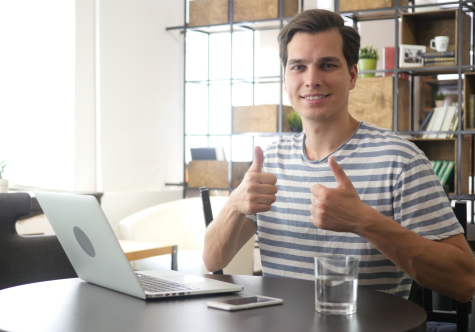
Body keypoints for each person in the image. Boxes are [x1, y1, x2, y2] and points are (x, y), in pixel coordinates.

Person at [203, 9, 475, 303]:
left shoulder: (400, 160)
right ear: (285, 79)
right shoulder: (270, 160)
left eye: (328, 64)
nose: (312, 79)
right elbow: (212, 260)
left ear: (353, 75)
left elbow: (464, 282)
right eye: (298, 67)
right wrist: (234, 205)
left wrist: (364, 222)